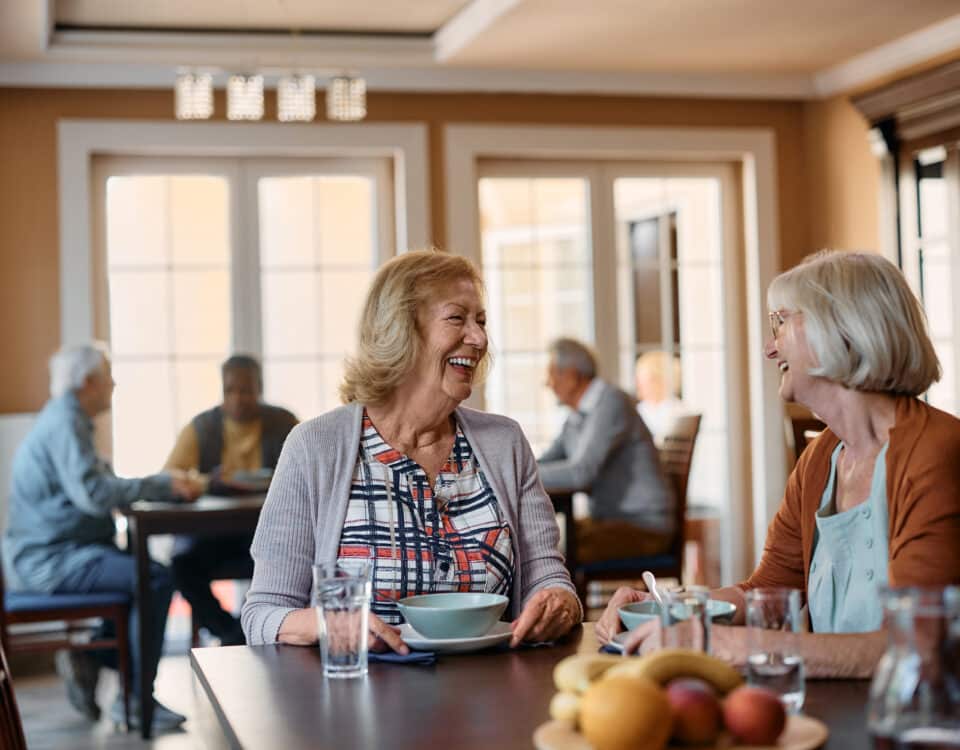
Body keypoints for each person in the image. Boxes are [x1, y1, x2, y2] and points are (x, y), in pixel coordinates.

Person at [597, 250, 960, 678]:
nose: (771, 348)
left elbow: (912, 642)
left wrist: (725, 643)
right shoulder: (822, 459)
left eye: (781, 322)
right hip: (843, 712)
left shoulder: (938, 452)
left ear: (840, 328)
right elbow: (765, 591)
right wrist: (663, 609)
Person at [242, 249, 581, 651]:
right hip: (361, 696)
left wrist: (559, 600)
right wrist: (329, 624)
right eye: (458, 318)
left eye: (482, 321)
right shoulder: (315, 447)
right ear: (401, 330)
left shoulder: (505, 443)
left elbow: (547, 574)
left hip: (491, 690)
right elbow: (263, 613)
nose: (479, 338)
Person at [2, 343, 204, 731]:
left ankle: (97, 662)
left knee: (141, 570)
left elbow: (94, 487)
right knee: (154, 577)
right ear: (89, 382)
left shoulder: (65, 419)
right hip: (49, 561)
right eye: (108, 376)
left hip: (55, 553)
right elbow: (94, 495)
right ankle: (134, 699)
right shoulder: (65, 422)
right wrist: (162, 486)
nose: (113, 383)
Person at [165, 355, 298, 646]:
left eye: (246, 390)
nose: (238, 398)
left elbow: (308, 470)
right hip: (213, 534)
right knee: (180, 566)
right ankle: (232, 633)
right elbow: (170, 476)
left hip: (268, 533)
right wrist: (206, 482)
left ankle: (253, 630)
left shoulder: (284, 422)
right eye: (230, 391)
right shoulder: (201, 427)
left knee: (298, 565)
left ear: (259, 389)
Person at [537, 338, 674, 563]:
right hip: (614, 522)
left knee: (547, 552)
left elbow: (580, 474)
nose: (547, 383)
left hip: (644, 527)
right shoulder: (578, 414)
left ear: (572, 376)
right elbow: (548, 460)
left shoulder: (610, 403)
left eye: (553, 374)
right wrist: (520, 467)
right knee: (540, 542)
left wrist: (520, 475)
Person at [634, 350, 687, 443]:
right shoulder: (638, 411)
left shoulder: (679, 412)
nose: (638, 384)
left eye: (645, 380)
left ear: (661, 380)